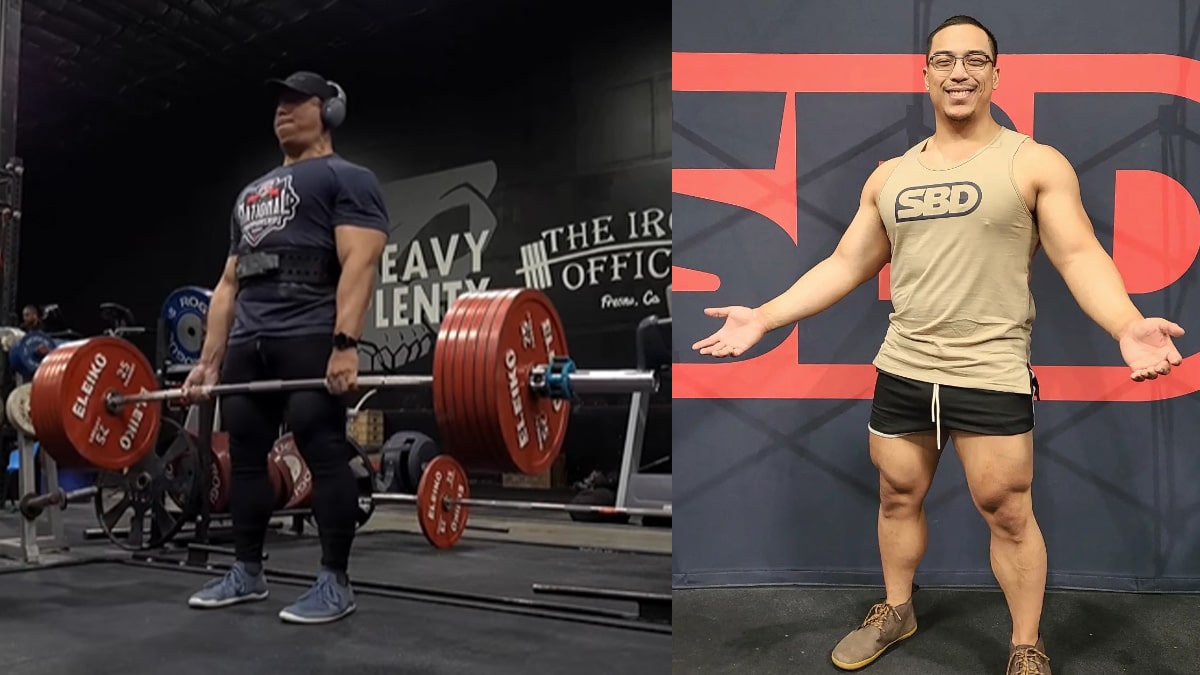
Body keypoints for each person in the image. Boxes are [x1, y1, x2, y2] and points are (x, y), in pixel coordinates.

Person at [691, 15, 1184, 675]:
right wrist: (766, 316)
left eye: (975, 60)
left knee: (1006, 510)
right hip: (903, 368)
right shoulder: (889, 176)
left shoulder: (1032, 162)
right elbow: (844, 263)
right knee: (897, 494)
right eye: (945, 60)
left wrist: (1126, 323)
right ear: (925, 74)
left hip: (990, 368)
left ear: (995, 73)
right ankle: (898, 608)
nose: (960, 72)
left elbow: (1079, 254)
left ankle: (1025, 644)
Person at [182, 70, 390, 624]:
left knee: (323, 451)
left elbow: (359, 262)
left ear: (331, 111)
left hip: (308, 333)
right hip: (250, 339)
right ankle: (247, 572)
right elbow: (228, 283)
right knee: (246, 457)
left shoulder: (349, 178)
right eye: (278, 101)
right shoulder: (249, 193)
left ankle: (334, 583)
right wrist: (209, 362)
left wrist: (345, 344)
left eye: (298, 100)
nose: (282, 109)